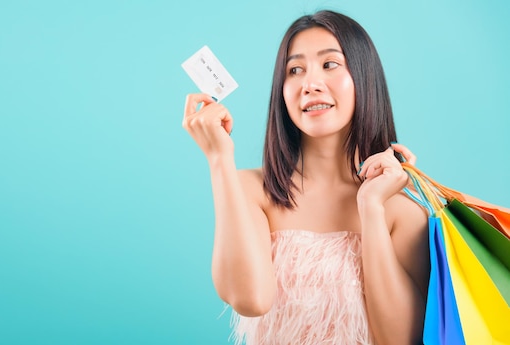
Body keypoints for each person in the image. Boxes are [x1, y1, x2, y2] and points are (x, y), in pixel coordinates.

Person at [182, 10, 430, 345]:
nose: (309, 84)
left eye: (330, 64)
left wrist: (371, 207)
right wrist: (218, 159)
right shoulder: (253, 191)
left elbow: (401, 340)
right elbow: (250, 300)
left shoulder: (403, 211)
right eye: (294, 70)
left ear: (364, 76)